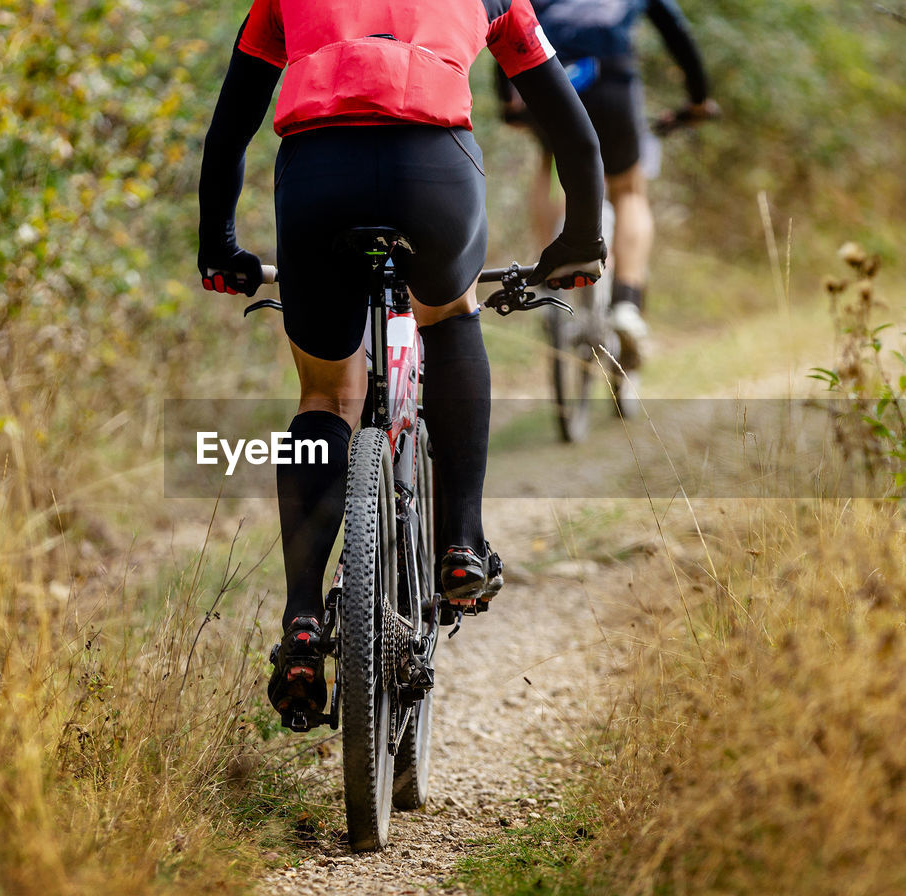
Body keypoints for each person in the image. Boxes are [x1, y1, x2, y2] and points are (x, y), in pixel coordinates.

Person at [197, 0, 607, 727]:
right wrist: (577, 240)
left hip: (318, 177)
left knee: (326, 393)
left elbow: (230, 129)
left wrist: (220, 247)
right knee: (449, 312)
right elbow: (574, 133)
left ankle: (299, 623)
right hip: (435, 173)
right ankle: (462, 543)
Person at [501, 0, 718, 372]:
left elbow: (506, 22)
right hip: (610, 83)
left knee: (549, 160)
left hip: (548, 78)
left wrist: (509, 100)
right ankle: (626, 305)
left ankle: (545, 279)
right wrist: (698, 100)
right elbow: (677, 34)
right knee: (629, 189)